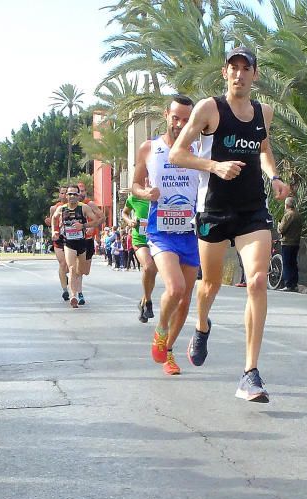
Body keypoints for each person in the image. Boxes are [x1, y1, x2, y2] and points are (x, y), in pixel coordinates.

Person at [169, 46, 290, 402]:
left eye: (245, 68)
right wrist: (215, 167)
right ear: (225, 73)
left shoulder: (263, 112)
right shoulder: (209, 109)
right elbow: (178, 152)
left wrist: (274, 176)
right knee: (209, 286)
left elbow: (263, 148)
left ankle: (250, 373)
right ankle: (202, 325)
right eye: (233, 68)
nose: (239, 74)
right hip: (214, 209)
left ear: (256, 74)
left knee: (256, 281)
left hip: (253, 209)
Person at [133, 95, 202, 376]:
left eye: (186, 119)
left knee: (185, 300)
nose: (180, 124)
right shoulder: (149, 148)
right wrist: (145, 193)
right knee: (175, 289)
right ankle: (161, 331)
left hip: (193, 231)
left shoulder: (200, 149)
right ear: (166, 115)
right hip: (161, 230)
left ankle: (169, 350)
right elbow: (135, 184)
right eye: (176, 118)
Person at [51, 185, 101, 308]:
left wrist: (84, 226)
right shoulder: (62, 209)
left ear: (78, 196)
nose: (72, 196)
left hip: (82, 243)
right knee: (72, 268)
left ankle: (78, 290)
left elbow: (97, 220)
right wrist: (53, 231)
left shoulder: (84, 207)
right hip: (69, 243)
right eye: (70, 194)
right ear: (66, 196)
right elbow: (54, 218)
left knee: (81, 271)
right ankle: (73, 296)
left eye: (74, 194)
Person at [123, 194, 156, 322]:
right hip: (140, 239)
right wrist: (129, 221)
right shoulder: (134, 198)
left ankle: (142, 303)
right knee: (148, 267)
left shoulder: (161, 195)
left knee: (152, 273)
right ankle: (148, 302)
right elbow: (125, 213)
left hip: (158, 239)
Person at [277, 197, 300, 291]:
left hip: (287, 242)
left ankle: (288, 284)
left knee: (287, 263)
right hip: (296, 242)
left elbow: (281, 229)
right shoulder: (298, 214)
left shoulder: (288, 215)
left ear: (286, 205)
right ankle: (294, 283)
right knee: (293, 263)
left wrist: (279, 225)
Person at [48, 213, 71, 301]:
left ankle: (66, 276)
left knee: (71, 266)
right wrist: (53, 230)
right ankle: (65, 290)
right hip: (59, 239)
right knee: (62, 263)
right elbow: (52, 221)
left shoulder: (81, 205)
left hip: (72, 238)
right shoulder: (55, 208)